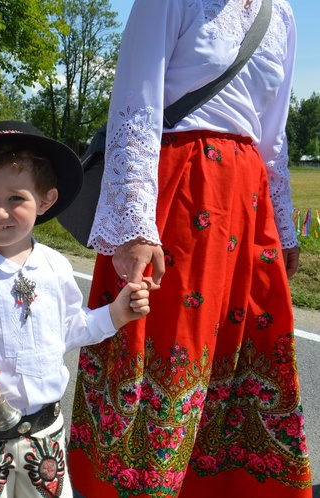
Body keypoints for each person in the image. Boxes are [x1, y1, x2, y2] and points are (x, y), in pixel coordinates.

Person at [67, 1, 311, 497]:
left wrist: (283, 229)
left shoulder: (282, 14)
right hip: (177, 194)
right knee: (169, 343)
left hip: (246, 202)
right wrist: (136, 227)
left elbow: (273, 136)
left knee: (246, 349)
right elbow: (135, 106)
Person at [0, 121, 151, 498]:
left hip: (44, 431)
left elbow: (71, 329)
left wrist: (116, 313)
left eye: (16, 198)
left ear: (45, 200)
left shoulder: (56, 267)